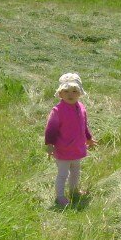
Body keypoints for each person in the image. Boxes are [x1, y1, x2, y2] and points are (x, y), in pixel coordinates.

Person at [44, 72, 96, 207]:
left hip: (77, 147)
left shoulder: (81, 108)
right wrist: (50, 144)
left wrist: (89, 139)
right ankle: (60, 197)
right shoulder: (58, 110)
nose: (70, 94)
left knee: (76, 171)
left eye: (74, 91)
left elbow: (83, 125)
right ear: (60, 94)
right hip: (63, 149)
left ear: (80, 93)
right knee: (63, 174)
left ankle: (74, 191)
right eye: (66, 91)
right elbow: (51, 129)